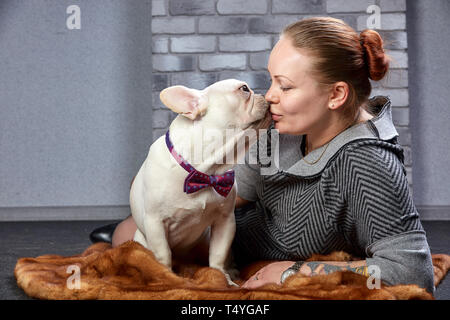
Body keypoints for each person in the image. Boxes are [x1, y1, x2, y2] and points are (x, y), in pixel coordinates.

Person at [90, 17, 435, 294]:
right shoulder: (281, 132)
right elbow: (236, 190)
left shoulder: (367, 164)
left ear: (336, 95)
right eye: (270, 82)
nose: (269, 96)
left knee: (132, 237)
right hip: (231, 237)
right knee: (132, 229)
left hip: (250, 250)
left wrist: (292, 271)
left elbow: (413, 271)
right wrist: (169, 181)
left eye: (284, 86)